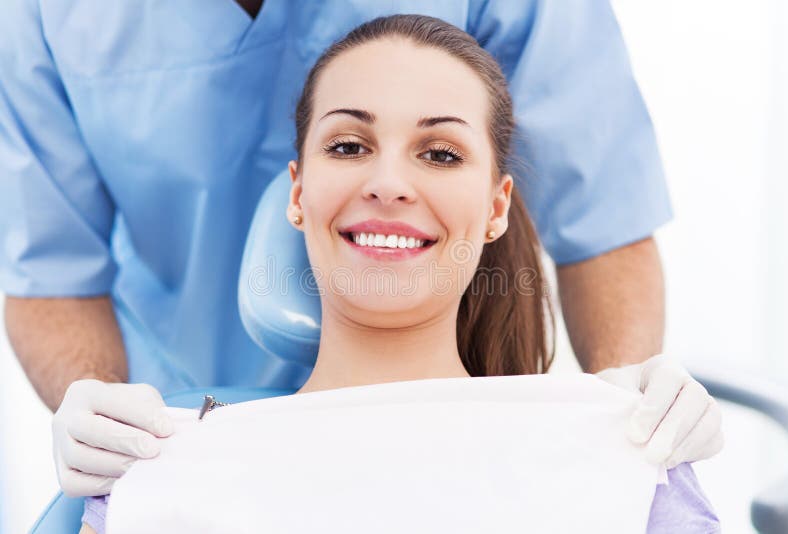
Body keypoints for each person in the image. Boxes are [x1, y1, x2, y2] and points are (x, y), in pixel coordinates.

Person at [0, 0, 721, 499]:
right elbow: (48, 267)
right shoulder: (160, 503)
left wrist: (625, 437)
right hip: (175, 416)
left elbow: (603, 217)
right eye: (348, 145)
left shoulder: (574, 493)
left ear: (498, 205)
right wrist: (108, 428)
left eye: (439, 153)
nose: (387, 184)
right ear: (296, 192)